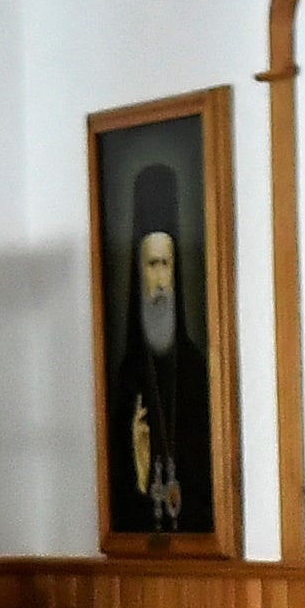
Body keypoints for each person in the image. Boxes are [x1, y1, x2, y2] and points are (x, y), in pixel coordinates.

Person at [109, 159, 211, 540]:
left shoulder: (197, 369)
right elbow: (119, 493)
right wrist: (138, 470)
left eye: (167, 264)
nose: (161, 279)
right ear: (139, 272)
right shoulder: (127, 373)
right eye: (152, 265)